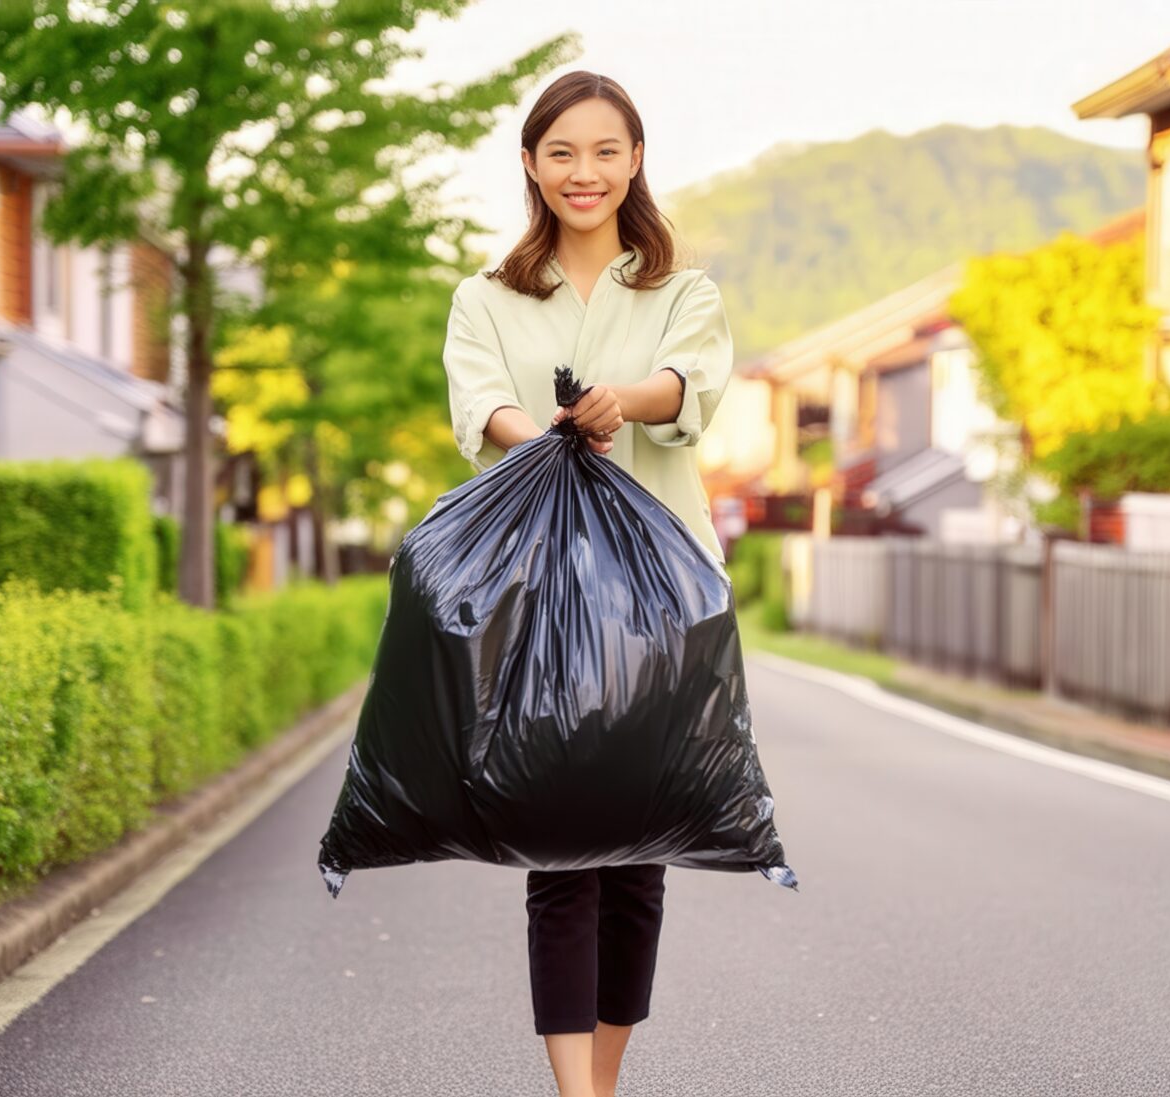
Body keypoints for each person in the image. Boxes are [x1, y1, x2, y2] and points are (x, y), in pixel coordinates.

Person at [438, 70, 734, 1097]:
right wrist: (551, 433)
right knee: (562, 854)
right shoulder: (485, 296)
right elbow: (480, 408)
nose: (585, 172)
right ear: (530, 163)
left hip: (662, 605)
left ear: (635, 160)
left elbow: (686, 385)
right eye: (562, 152)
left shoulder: (681, 292)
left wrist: (626, 402)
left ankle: (602, 1082)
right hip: (541, 601)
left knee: (637, 860)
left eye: (606, 151)